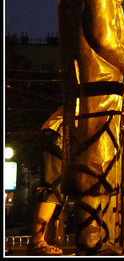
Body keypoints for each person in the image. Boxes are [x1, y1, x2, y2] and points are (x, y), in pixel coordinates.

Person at [57, 0, 124, 256]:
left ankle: (91, 240)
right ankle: (94, 242)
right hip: (101, 87)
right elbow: (103, 36)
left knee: (88, 164)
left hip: (78, 88)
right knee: (98, 164)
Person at [27, 108, 65, 256]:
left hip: (59, 132)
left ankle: (47, 243)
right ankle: (37, 242)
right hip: (58, 132)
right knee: (54, 186)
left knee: (59, 190)